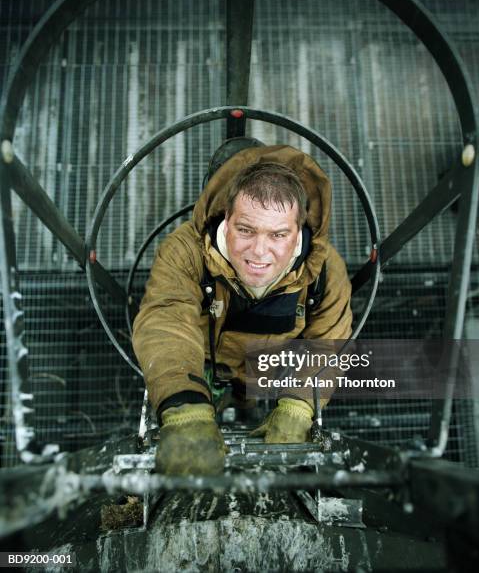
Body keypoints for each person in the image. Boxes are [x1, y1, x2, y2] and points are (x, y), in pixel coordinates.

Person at [132, 145, 352, 475]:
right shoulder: (186, 251)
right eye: (245, 230)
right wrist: (184, 406)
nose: (259, 252)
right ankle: (212, 403)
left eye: (278, 234)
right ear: (226, 217)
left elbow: (329, 337)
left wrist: (298, 405)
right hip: (203, 368)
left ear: (299, 231)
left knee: (262, 407)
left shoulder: (323, 270)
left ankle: (252, 409)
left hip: (272, 374)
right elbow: (167, 317)